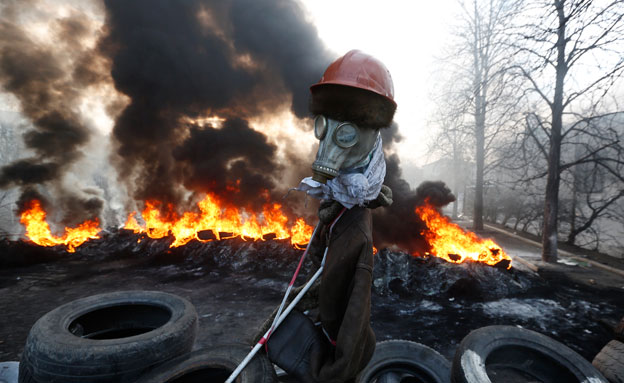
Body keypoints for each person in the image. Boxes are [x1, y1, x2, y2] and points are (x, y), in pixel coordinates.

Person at [261, 49, 396, 383]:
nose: (330, 142)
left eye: (345, 133)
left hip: (333, 356)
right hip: (323, 330)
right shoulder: (341, 205)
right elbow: (322, 275)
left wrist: (333, 373)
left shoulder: (356, 232)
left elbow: (354, 320)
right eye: (324, 126)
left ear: (369, 132)